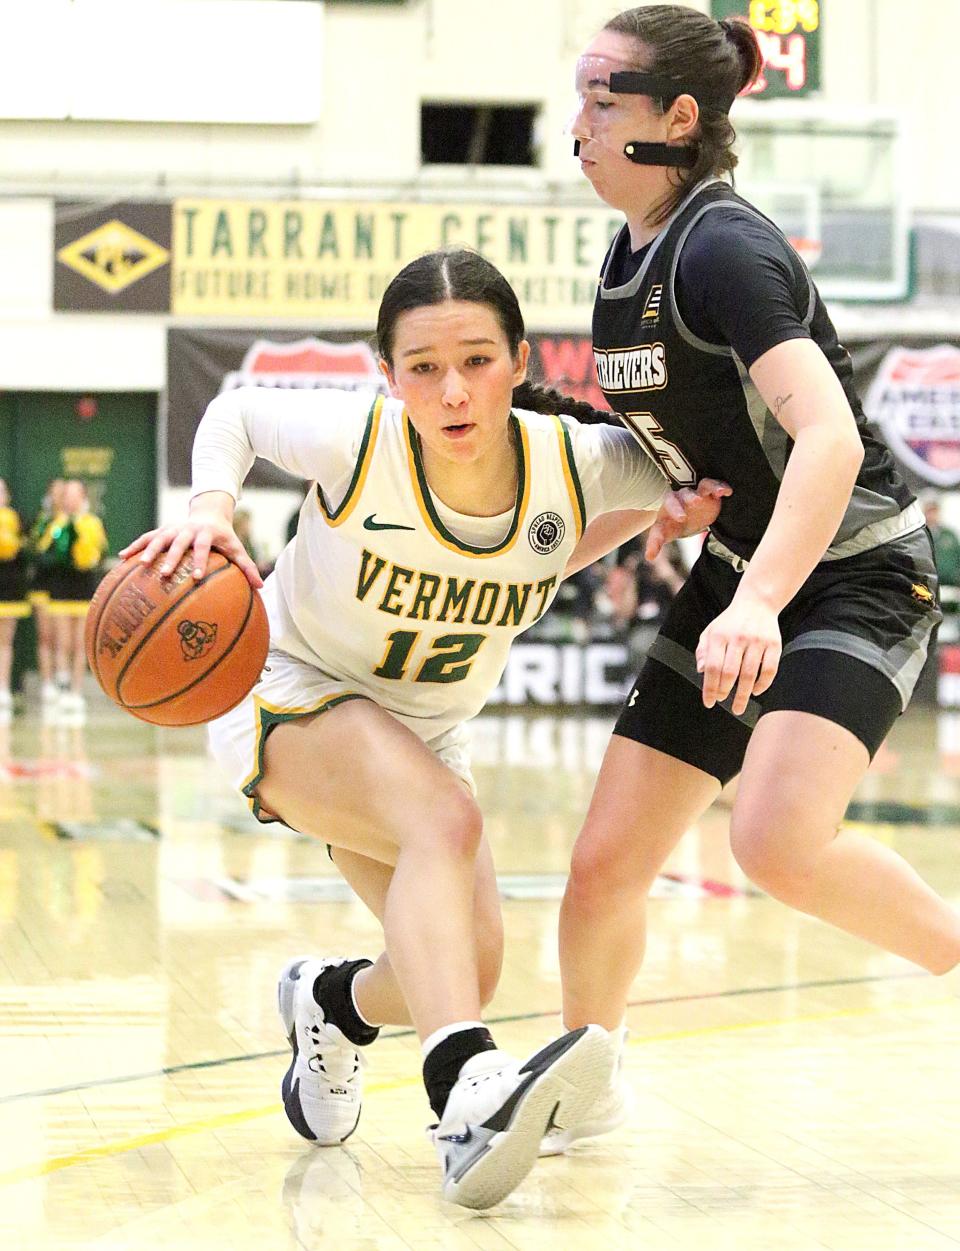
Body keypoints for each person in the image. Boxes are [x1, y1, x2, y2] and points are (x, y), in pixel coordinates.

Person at [120, 247, 726, 1209]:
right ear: (388, 372)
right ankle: (466, 1096)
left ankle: (332, 1006)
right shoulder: (359, 442)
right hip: (289, 685)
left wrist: (678, 505)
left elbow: (576, 528)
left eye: (478, 361)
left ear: (521, 359)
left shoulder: (579, 462)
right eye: (424, 367)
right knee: (444, 824)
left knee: (465, 962)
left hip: (424, 735)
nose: (453, 390)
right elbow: (234, 413)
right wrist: (209, 510)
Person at [546, 4, 959, 1154]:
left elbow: (825, 439)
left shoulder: (722, 246)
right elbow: (693, 456)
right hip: (743, 575)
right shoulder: (625, 260)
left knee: (773, 839)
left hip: (856, 574)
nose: (575, 124)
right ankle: (590, 1086)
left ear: (680, 118)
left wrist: (762, 603)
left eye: (601, 99)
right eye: (576, 96)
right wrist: (655, 514)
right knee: (599, 872)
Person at [36, 479, 108, 723]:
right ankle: (62, 683)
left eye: (75, 494)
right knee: (61, 641)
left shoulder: (92, 523)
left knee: (80, 644)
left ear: (83, 497)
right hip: (60, 590)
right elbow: (44, 551)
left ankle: (76, 692)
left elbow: (96, 555)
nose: (70, 499)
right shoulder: (56, 523)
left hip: (84, 590)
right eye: (67, 495)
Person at [28, 478, 66, 711]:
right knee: (46, 635)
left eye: (64, 493)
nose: (60, 498)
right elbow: (37, 552)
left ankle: (63, 679)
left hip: (64, 587)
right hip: (42, 586)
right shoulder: (43, 522)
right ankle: (47, 682)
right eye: (56, 493)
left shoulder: (76, 523)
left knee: (64, 638)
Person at [0, 479, 30, 719]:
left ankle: (3, 690)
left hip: (9, 587)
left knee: (5, 642)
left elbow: (29, 553)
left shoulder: (17, 520)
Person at [922, 493, 960, 587]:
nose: (932, 515)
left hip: (950, 588)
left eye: (934, 510)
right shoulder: (920, 534)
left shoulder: (949, 535)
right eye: (929, 511)